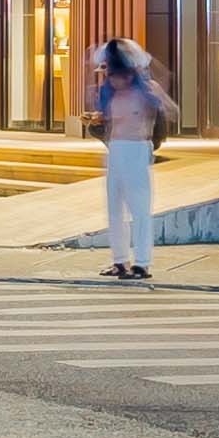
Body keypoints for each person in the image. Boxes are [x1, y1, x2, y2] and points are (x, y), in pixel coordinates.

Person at [86, 28, 164, 282]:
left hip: (137, 148)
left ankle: (142, 263)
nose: (109, 77)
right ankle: (120, 261)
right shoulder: (109, 92)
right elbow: (108, 121)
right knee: (115, 208)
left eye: (111, 71)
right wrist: (98, 120)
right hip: (116, 149)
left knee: (139, 209)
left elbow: (163, 116)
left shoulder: (147, 90)